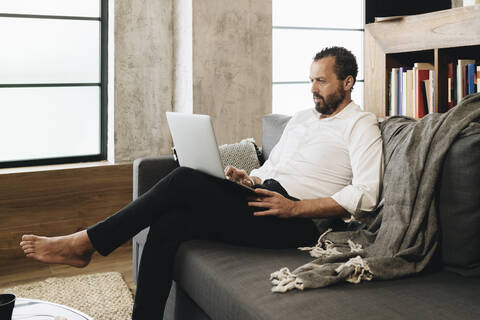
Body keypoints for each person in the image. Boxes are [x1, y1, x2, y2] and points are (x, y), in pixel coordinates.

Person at [19, 46, 383, 319]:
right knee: (169, 223)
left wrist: (295, 208)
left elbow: (365, 194)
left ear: (347, 82)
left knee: (183, 181)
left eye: (321, 81)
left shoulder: (360, 124)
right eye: (311, 80)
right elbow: (276, 165)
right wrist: (249, 178)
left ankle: (86, 243)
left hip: (296, 221)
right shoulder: (302, 118)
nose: (313, 89)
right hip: (263, 198)